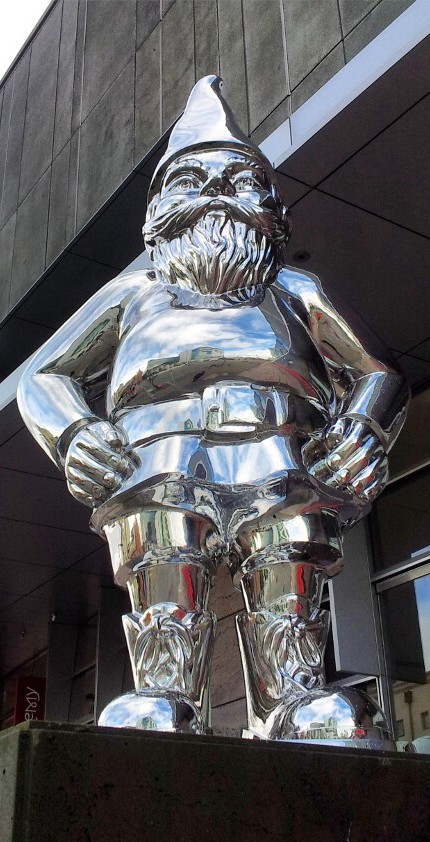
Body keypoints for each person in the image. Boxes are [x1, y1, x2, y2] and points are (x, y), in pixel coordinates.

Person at [17, 76, 409, 741]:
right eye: (192, 181)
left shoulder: (294, 289)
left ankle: (293, 698)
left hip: (283, 458)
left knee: (288, 570)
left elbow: (377, 371)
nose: (217, 193)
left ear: (276, 212)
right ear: (155, 213)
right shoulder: (132, 294)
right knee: (163, 567)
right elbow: (43, 376)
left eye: (240, 180)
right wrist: (75, 432)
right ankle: (165, 694)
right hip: (159, 462)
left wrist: (363, 425)